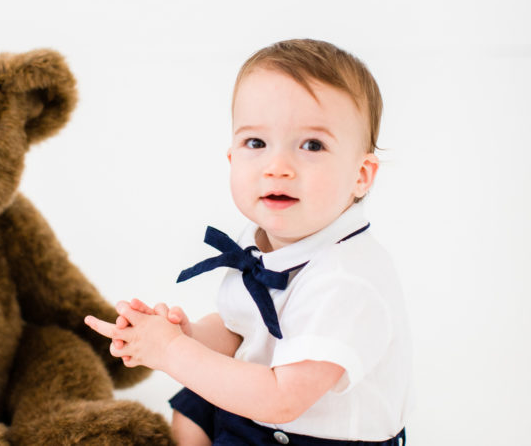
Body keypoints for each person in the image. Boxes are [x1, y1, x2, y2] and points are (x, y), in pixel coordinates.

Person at [85, 39, 412, 445]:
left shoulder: (346, 281)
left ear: (361, 175)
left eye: (312, 145)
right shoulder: (265, 238)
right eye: (256, 143)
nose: (277, 167)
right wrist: (185, 336)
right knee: (192, 405)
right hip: (260, 409)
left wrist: (172, 353)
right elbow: (240, 329)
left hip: (311, 434)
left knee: (201, 382)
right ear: (232, 158)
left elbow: (283, 400)